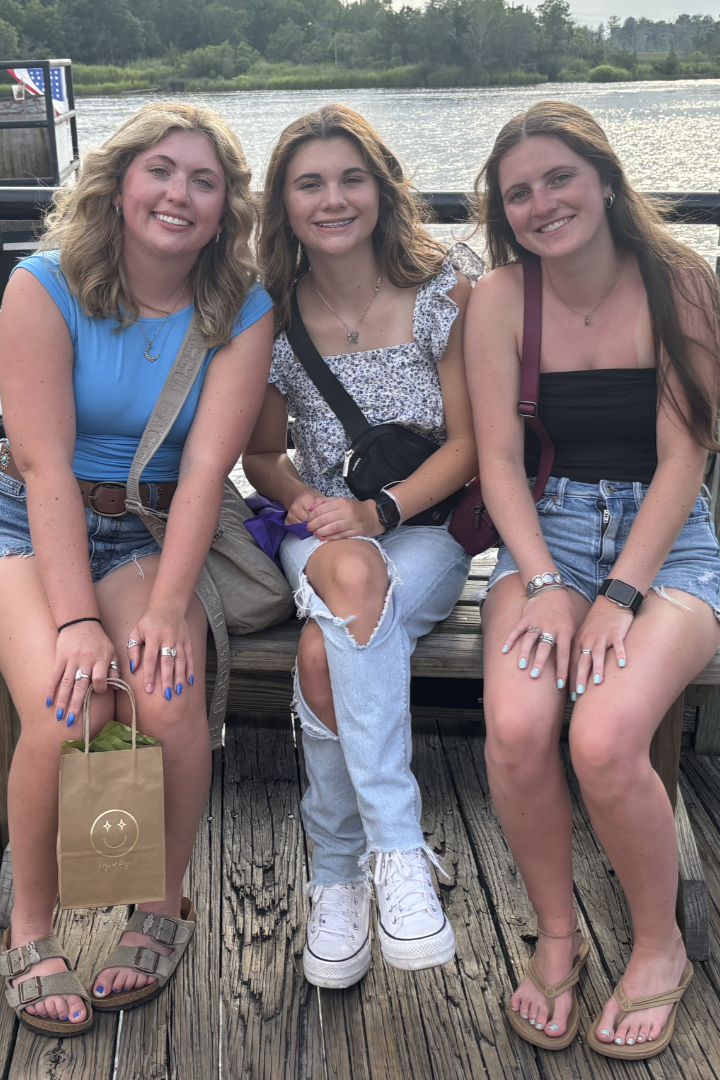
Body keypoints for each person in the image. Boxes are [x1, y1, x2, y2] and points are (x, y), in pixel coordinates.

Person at [0, 101, 273, 1035]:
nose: (179, 195)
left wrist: (164, 607)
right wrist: (78, 622)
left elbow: (205, 469)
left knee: (164, 695)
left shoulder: (240, 305)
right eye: (162, 171)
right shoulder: (43, 286)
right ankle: (30, 929)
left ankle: (162, 906)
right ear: (120, 185)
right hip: (31, 526)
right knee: (70, 702)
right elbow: (40, 466)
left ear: (224, 207)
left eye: (204, 181)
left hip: (152, 525)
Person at [465, 99, 720, 1059]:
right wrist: (544, 582)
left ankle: (659, 949)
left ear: (605, 180)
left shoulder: (679, 283)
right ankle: (559, 934)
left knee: (608, 739)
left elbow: (687, 452)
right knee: (521, 724)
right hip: (547, 537)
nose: (542, 204)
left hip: (669, 543)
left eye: (558, 178)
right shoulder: (500, 299)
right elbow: (496, 462)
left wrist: (620, 595)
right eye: (519, 193)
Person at [244, 103, 478, 990]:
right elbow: (260, 455)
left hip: (424, 533)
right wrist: (311, 501)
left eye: (351, 179)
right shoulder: (271, 315)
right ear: (286, 204)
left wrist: (378, 510)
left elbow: (468, 443)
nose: (333, 199)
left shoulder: (444, 289)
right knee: (341, 581)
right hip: (324, 534)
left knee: (320, 649)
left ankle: (342, 871)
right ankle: (397, 854)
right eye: (310, 184)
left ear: (382, 189)